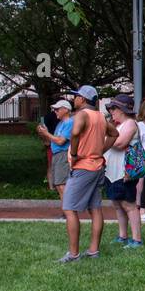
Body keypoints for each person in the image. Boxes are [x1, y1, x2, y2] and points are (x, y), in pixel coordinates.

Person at [59, 86, 114, 262]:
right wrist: (100, 151)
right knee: (95, 208)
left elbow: (75, 133)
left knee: (68, 208)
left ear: (83, 99)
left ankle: (74, 254)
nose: (74, 99)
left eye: (76, 97)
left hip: (83, 167)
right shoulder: (100, 116)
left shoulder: (82, 115)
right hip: (97, 167)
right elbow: (115, 133)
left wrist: (74, 154)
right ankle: (93, 251)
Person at [103, 94, 144, 248]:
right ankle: (123, 236)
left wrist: (105, 136)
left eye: (113, 108)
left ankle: (137, 239)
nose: (111, 111)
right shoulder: (118, 125)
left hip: (124, 173)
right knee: (118, 205)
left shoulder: (131, 123)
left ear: (122, 109)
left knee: (129, 205)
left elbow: (119, 143)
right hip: (112, 173)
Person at [36, 99, 74, 196]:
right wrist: (43, 133)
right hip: (57, 155)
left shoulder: (69, 122)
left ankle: (69, 210)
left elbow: (61, 141)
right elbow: (52, 140)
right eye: (54, 109)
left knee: (62, 185)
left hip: (63, 154)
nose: (55, 111)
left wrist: (46, 133)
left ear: (65, 110)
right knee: (59, 185)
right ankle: (67, 210)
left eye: (57, 109)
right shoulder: (60, 123)